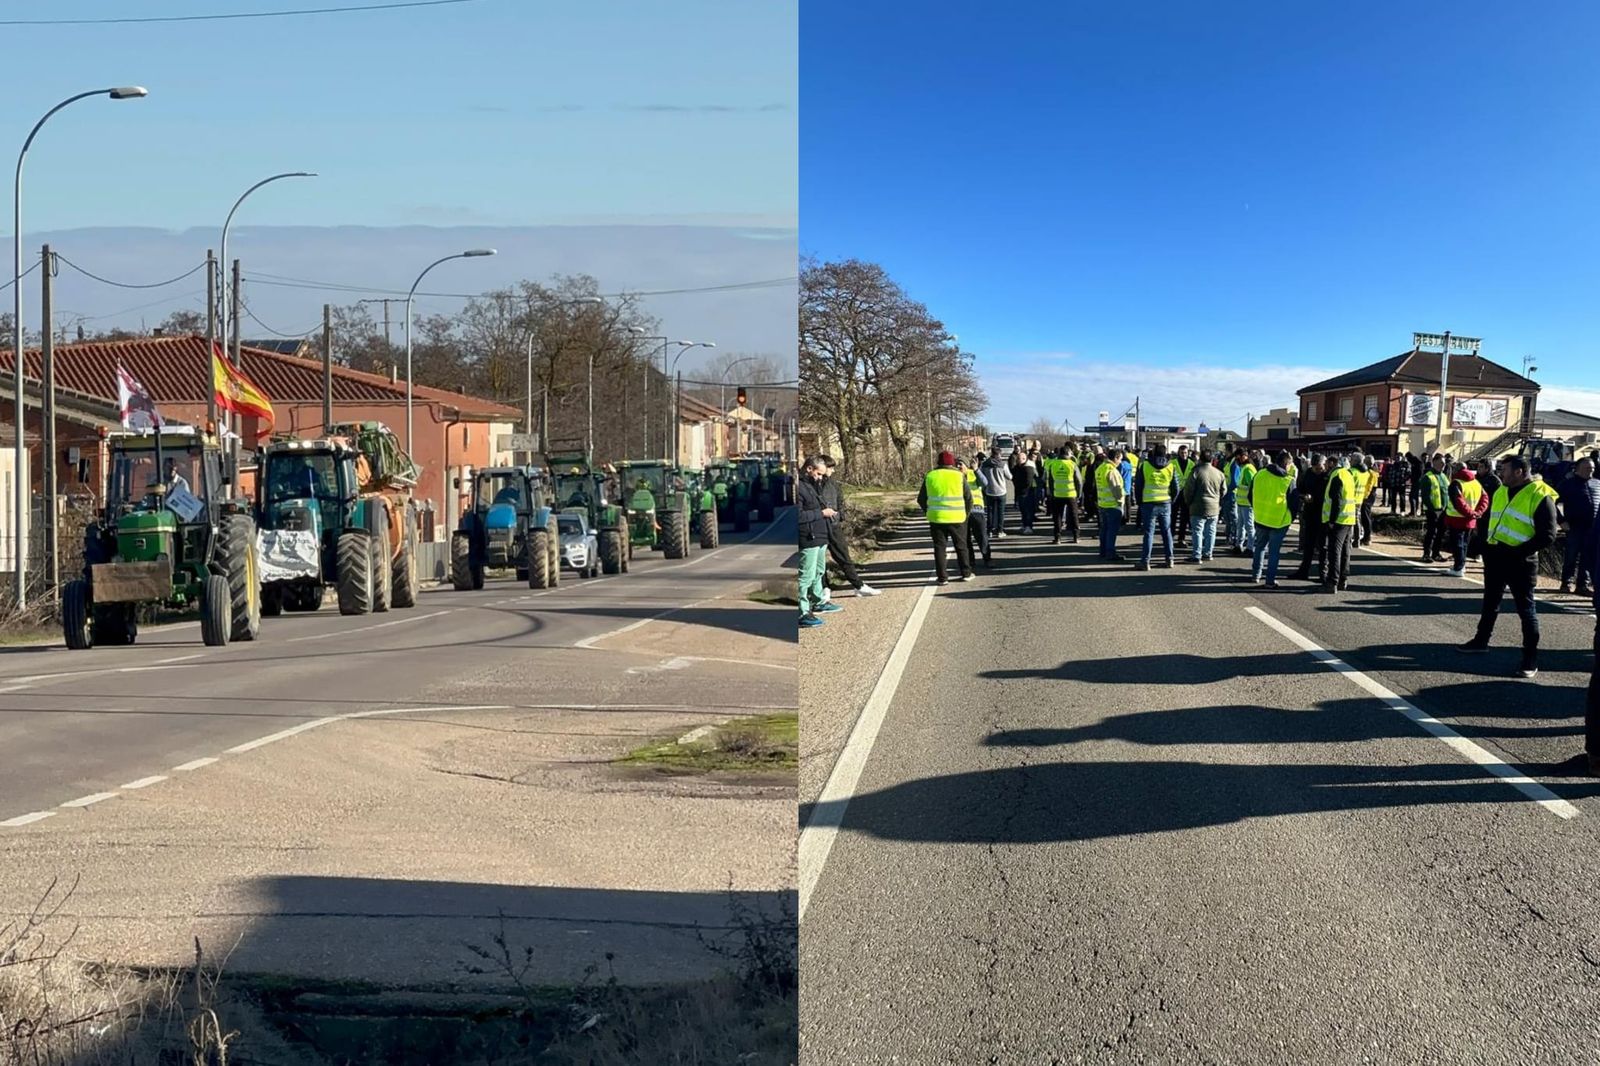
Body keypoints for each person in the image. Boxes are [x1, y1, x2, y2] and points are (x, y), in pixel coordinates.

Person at [1459, 455, 1560, 677]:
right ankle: (1481, 641)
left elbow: (1548, 535)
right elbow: (1492, 520)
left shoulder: (1540, 495)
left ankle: (1530, 659)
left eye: (1504, 469)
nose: (1500, 473)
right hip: (1495, 557)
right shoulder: (1502, 490)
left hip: (1521, 562)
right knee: (1490, 602)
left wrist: (1518, 551)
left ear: (1519, 472)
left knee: (1526, 610)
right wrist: (1483, 545)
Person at [817, 456, 879, 599]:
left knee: (844, 556)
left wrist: (840, 517)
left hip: (833, 525)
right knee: (820, 561)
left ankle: (858, 585)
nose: (833, 470)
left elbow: (840, 501)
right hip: (819, 527)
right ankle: (825, 587)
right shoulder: (813, 484)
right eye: (830, 467)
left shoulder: (833, 484)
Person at [918, 450, 974, 585]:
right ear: (952, 462)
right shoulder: (959, 476)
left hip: (937, 518)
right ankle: (966, 573)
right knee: (961, 546)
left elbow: (921, 499)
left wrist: (928, 511)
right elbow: (969, 499)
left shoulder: (930, 476)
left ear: (938, 462)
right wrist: (965, 514)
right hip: (957, 518)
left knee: (939, 548)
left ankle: (942, 577)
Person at [796, 457, 836, 628]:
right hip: (808, 537)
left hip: (820, 535)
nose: (821, 477)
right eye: (819, 474)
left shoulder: (813, 486)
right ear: (809, 469)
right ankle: (802, 612)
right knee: (806, 575)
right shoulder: (799, 487)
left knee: (818, 572)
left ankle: (817, 602)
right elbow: (798, 516)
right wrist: (822, 514)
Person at [1250, 450, 1297, 587]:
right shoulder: (1288, 480)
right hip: (1279, 521)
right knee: (1274, 552)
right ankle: (1269, 581)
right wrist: (1290, 519)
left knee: (1259, 547)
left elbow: (1250, 494)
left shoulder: (1259, 474)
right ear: (1286, 464)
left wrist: (1257, 509)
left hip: (1260, 518)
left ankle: (1255, 575)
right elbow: (1294, 505)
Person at [1557, 456, 1600, 595]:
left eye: (1592, 468)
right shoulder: (1567, 484)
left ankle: (1583, 585)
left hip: (1593, 528)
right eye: (1587, 468)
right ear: (1578, 469)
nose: (1590, 471)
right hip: (1574, 526)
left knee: (1588, 557)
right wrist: (1561, 521)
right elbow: (1552, 502)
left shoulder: (1597, 484)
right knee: (1571, 556)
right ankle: (1566, 582)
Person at [1133, 443, 1177, 570]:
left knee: (1148, 533)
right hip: (1165, 502)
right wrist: (1171, 500)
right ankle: (1170, 559)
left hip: (1148, 503)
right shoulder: (1171, 466)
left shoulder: (1145, 465)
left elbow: (1138, 486)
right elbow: (1176, 487)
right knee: (1167, 532)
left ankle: (1145, 562)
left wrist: (1140, 502)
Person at [1440, 461, 1488, 577]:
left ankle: (1458, 568)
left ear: (1456, 470)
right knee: (1464, 544)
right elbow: (1485, 498)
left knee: (1457, 544)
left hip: (1457, 519)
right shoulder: (1476, 482)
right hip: (1470, 520)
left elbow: (1458, 503)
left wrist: (1471, 513)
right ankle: (1461, 564)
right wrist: (1478, 512)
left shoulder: (1456, 483)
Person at [1320, 453, 1359, 594]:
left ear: (1332, 464)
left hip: (1338, 520)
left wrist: (1331, 520)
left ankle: (1332, 581)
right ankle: (1343, 579)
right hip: (1349, 518)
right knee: (1345, 551)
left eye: (1326, 464)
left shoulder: (1336, 476)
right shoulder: (1348, 475)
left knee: (1334, 551)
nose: (1325, 468)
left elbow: (1335, 500)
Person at [1180, 448, 1224, 563]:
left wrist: (1188, 502)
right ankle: (1208, 553)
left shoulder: (1196, 471)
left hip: (1198, 506)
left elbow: (1188, 490)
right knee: (1211, 531)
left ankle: (1196, 555)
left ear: (1200, 459)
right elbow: (1224, 490)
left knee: (1197, 531)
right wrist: (1218, 500)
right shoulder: (1219, 473)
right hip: (1214, 507)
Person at [1292, 454, 1329, 582]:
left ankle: (1323, 574)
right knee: (1308, 545)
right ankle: (1303, 571)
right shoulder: (1307, 474)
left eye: (1319, 468)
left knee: (1323, 546)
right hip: (1310, 512)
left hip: (1324, 514)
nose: (1317, 470)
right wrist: (1304, 496)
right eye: (1314, 468)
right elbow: (1299, 490)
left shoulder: (1328, 476)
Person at [1043, 446, 1081, 544]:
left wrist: (1052, 492)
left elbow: (1050, 481)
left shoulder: (1053, 464)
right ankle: (1076, 537)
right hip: (1071, 494)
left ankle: (1057, 538)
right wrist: (1079, 494)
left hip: (1057, 494)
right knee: (1074, 516)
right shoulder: (1072, 464)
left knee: (1057, 517)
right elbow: (1078, 481)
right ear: (1068, 453)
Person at [1468, 457, 1503, 562]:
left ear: (1487, 468)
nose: (1479, 469)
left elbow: (1499, 497)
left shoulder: (1494, 481)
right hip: (1473, 510)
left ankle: (1481, 554)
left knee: (1483, 534)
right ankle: (1466, 553)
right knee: (1470, 533)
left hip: (1487, 512)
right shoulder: (1474, 479)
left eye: (1481, 467)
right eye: (1478, 466)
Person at [959, 458, 992, 566]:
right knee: (965, 538)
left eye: (961, 464)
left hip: (976, 510)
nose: (959, 466)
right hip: (961, 512)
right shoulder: (955, 477)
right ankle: (970, 561)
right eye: (956, 465)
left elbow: (984, 482)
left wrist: (976, 469)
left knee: (982, 536)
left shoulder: (973, 473)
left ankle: (987, 559)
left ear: (966, 465)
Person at [1097, 446, 1127, 560]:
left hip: (1102, 503)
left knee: (1104, 530)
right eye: (1120, 459)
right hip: (1113, 505)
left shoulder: (1101, 468)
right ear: (1116, 457)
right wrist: (1121, 501)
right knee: (1112, 531)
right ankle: (1110, 552)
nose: (1120, 462)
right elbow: (1116, 490)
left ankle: (1103, 551)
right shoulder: (1112, 470)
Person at [1420, 454, 1451, 562]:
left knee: (1440, 533)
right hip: (1432, 511)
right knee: (1431, 533)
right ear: (1434, 462)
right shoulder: (1427, 477)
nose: (1443, 465)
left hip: (1443, 511)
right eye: (1441, 462)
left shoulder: (1444, 476)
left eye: (1444, 463)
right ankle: (1426, 554)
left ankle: (1436, 553)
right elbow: (1425, 496)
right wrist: (1433, 509)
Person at [978, 446, 1012, 539]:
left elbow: (980, 476)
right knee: (1001, 512)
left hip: (989, 491)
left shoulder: (985, 464)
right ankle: (1000, 531)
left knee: (990, 512)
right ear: (999, 454)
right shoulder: (1002, 464)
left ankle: (989, 531)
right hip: (1001, 491)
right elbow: (1009, 477)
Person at [1230, 449, 1258, 555]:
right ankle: (1239, 545)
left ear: (1244, 456)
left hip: (1247, 503)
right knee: (1240, 526)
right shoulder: (1243, 468)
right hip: (1241, 502)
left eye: (1238, 457)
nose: (1237, 459)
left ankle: (1250, 547)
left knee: (1249, 526)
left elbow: (1252, 485)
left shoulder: (1248, 468)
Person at [1171, 444, 1195, 548]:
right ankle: (1170, 537)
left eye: (1185, 452)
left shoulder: (1192, 463)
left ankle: (1181, 539)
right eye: (1182, 453)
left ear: (1188, 453)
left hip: (1186, 493)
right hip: (1175, 493)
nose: (1184, 454)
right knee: (1173, 517)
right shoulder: (1172, 463)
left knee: (1184, 518)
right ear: (1178, 453)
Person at [1012, 448, 1040, 534]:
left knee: (1028, 510)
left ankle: (1029, 526)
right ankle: (1024, 525)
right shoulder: (1018, 467)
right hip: (1020, 492)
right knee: (1023, 510)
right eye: (1017, 459)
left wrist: (1020, 486)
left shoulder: (1028, 468)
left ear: (1024, 459)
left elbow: (1028, 482)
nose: (1017, 460)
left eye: (1019, 459)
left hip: (1027, 493)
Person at [1357, 455, 1380, 546]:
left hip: (1368, 495)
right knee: (1365, 515)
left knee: (1365, 515)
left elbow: (1369, 486)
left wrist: (1364, 497)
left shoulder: (1370, 473)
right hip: (1370, 494)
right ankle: (1366, 536)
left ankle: (1367, 537)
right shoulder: (1372, 472)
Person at [1406, 451, 1424, 516]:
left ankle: (1413, 512)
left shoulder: (1418, 463)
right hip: (1416, 481)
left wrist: (1413, 478)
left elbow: (1419, 473)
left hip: (1417, 482)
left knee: (1412, 496)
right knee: (1415, 497)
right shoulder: (1415, 462)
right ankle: (1414, 511)